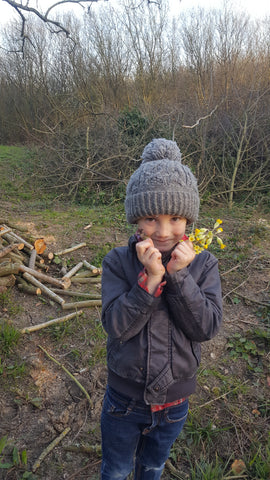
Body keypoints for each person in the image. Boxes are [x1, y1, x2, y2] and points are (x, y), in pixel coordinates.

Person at [100, 138, 223, 479]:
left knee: (152, 467)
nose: (165, 231)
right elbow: (116, 327)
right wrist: (151, 280)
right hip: (123, 400)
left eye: (176, 218)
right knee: (116, 469)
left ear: (190, 219)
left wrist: (179, 278)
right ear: (135, 218)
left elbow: (206, 327)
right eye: (152, 218)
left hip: (174, 404)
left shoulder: (204, 265)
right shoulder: (118, 263)